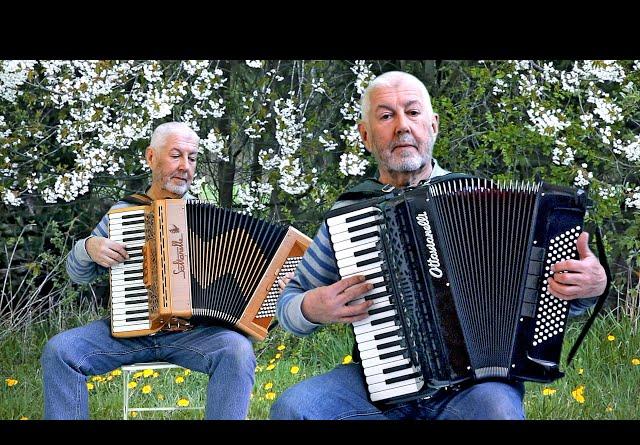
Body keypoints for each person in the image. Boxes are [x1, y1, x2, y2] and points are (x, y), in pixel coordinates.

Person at [270, 71, 608, 420]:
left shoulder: (484, 202)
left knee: (497, 413)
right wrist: (312, 307)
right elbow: (288, 303)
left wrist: (589, 287)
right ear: (366, 136)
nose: (402, 126)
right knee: (295, 408)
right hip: (380, 387)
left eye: (413, 113)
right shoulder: (347, 214)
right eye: (386, 116)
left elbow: (557, 299)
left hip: (475, 390)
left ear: (432, 125)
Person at [41, 122, 256, 420]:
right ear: (151, 157)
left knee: (238, 350)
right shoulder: (122, 213)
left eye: (192, 158)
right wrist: (88, 247)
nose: (185, 167)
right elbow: (77, 275)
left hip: (191, 334)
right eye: (176, 155)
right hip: (129, 333)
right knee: (59, 351)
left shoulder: (208, 218)